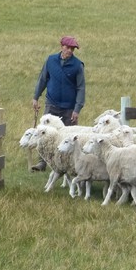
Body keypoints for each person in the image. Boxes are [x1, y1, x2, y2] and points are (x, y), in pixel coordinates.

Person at [31, 35, 86, 171]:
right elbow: (43, 79)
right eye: (68, 48)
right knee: (44, 133)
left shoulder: (77, 65)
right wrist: (36, 97)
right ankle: (42, 163)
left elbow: (81, 88)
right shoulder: (51, 60)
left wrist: (77, 109)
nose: (70, 51)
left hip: (69, 108)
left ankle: (70, 166)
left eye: (72, 49)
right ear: (62, 47)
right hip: (51, 104)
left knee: (70, 137)